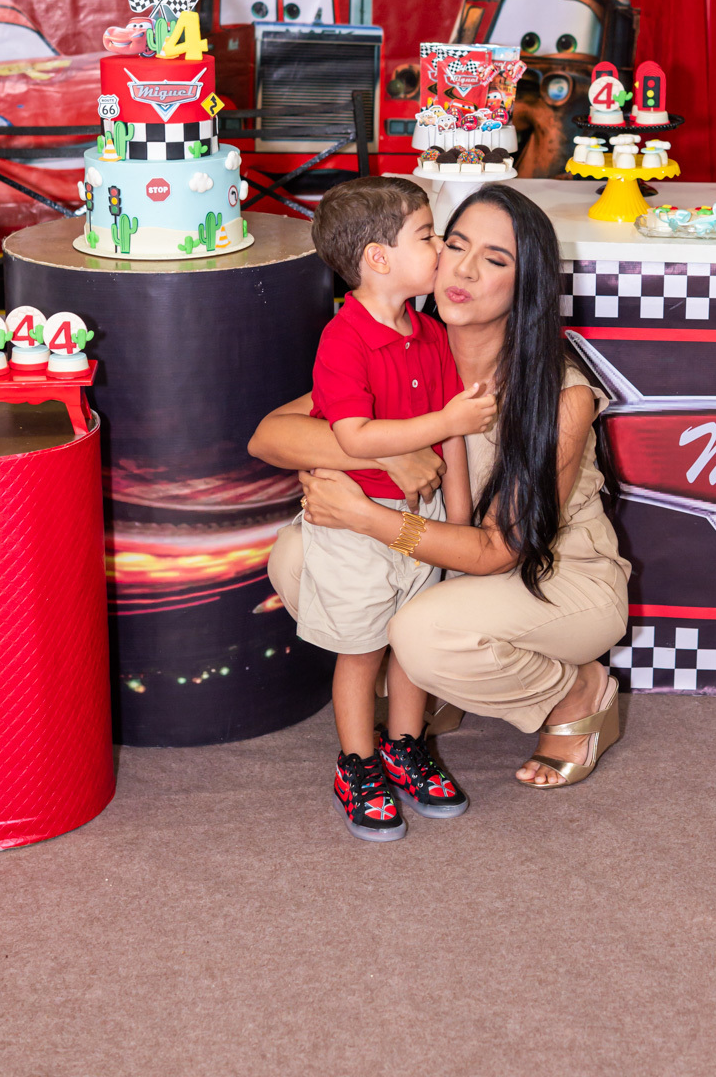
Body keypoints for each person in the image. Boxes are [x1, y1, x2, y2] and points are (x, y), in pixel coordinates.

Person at [249, 183, 630, 798]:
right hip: (443, 558)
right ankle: (432, 689)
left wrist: (368, 517)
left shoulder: (561, 396)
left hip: (557, 576)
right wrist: (394, 450)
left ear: (526, 285)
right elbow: (271, 435)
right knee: (299, 556)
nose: (465, 269)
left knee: (422, 633)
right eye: (453, 244)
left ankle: (575, 692)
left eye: (495, 259)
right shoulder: (406, 342)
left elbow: (498, 552)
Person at [283, 177, 496, 842]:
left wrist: (457, 525)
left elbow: (449, 445)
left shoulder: (429, 333)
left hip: (418, 516)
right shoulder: (343, 339)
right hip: (353, 522)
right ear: (378, 258)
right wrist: (447, 419)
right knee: (361, 650)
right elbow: (354, 436)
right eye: (428, 236)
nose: (442, 251)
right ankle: (358, 763)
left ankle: (406, 746)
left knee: (410, 643)